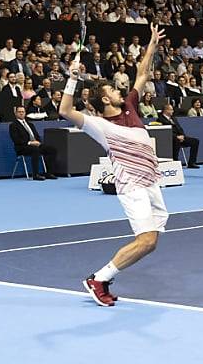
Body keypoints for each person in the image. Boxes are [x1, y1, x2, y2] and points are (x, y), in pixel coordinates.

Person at [58, 22, 166, 307]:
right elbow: (65, 110)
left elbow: (142, 72)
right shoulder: (97, 125)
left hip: (151, 181)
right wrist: (72, 79)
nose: (122, 91)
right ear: (105, 98)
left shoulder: (130, 104)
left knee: (151, 242)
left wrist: (152, 42)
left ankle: (101, 278)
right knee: (145, 241)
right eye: (114, 91)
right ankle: (99, 279)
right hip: (132, 185)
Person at [9, 105, 57, 180]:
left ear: (25, 113)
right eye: (19, 112)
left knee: (51, 149)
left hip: (35, 145)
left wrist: (38, 142)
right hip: (22, 147)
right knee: (35, 150)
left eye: (23, 112)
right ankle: (36, 174)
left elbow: (37, 136)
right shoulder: (13, 125)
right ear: (16, 113)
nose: (21, 113)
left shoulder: (30, 124)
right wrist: (30, 143)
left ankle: (49, 173)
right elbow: (16, 140)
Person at [155, 102, 200, 168]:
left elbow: (180, 128)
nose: (172, 111)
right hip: (170, 139)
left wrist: (183, 136)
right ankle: (175, 162)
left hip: (180, 137)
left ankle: (192, 163)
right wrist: (176, 137)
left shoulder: (174, 118)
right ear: (166, 110)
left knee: (195, 141)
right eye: (171, 109)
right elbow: (166, 132)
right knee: (176, 141)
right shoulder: (160, 119)